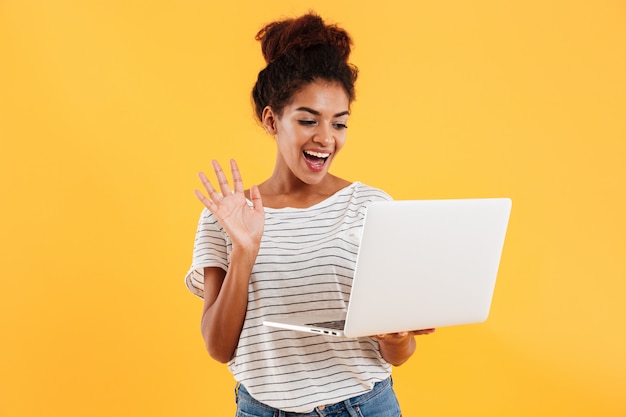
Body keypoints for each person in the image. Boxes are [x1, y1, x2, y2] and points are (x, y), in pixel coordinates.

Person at [185, 12, 434, 416]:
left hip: (364, 406)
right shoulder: (227, 215)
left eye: (339, 123)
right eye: (307, 120)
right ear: (272, 119)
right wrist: (244, 252)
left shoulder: (372, 208)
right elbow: (218, 347)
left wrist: (398, 335)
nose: (325, 138)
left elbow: (399, 353)